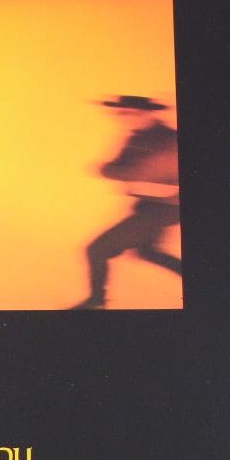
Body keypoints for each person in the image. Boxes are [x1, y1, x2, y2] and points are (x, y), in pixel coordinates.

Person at [73, 95, 182, 309]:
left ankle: (96, 302)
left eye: (129, 113)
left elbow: (132, 171)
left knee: (96, 249)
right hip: (148, 207)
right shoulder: (135, 138)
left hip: (164, 210)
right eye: (121, 113)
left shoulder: (169, 139)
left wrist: (122, 172)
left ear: (147, 113)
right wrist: (118, 171)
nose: (124, 118)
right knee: (147, 252)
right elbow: (113, 168)